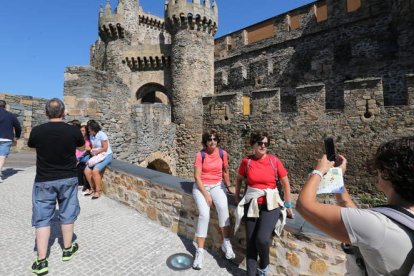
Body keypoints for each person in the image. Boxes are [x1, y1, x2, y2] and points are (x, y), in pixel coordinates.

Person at [296, 137, 414, 275]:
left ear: (387, 173)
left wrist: (319, 171)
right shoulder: (399, 219)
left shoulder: (378, 227)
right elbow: (352, 212)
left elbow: (304, 206)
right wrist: (337, 176)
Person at [28, 98, 84, 275]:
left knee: (42, 218)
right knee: (67, 213)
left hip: (44, 179)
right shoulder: (73, 131)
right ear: (63, 112)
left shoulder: (37, 131)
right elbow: (81, 148)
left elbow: (33, 148)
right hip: (68, 178)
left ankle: (41, 260)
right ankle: (67, 249)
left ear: (46, 113)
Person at [234, 130, 294, 276]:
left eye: (265, 144)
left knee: (261, 239)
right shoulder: (246, 162)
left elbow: (286, 184)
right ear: (253, 145)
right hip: (252, 204)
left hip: (270, 204)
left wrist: (288, 205)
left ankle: (264, 267)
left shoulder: (274, 161)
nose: (263, 146)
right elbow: (239, 180)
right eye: (260, 143)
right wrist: (237, 198)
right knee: (251, 241)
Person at [192, 129, 235, 270]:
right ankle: (199, 252)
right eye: (209, 139)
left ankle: (226, 243)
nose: (212, 141)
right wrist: (206, 195)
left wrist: (229, 187)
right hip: (201, 187)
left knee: (223, 208)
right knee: (204, 215)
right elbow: (197, 177)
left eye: (215, 139)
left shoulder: (223, 154)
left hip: (217, 185)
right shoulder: (200, 155)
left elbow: (225, 171)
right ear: (205, 142)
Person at [83, 120, 112, 199]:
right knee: (86, 170)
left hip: (106, 155)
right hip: (97, 156)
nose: (88, 130)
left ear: (93, 128)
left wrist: (95, 152)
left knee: (95, 171)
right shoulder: (91, 135)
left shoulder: (102, 135)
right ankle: (92, 188)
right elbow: (93, 147)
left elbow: (105, 148)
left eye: (89, 128)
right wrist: (92, 151)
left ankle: (98, 191)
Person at [0, 100, 22, 182]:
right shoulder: (11, 115)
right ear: (5, 106)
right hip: (6, 138)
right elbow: (18, 127)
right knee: (2, 155)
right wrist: (17, 136)